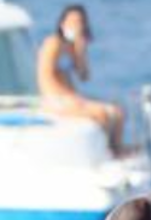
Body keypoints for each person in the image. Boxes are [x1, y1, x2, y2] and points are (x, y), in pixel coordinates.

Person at [36, 5, 124, 153]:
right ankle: (108, 152)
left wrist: (80, 49)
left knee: (118, 112)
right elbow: (45, 76)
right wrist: (68, 96)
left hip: (70, 98)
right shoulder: (53, 43)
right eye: (72, 22)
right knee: (101, 114)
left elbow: (84, 76)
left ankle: (117, 149)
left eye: (80, 22)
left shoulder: (71, 47)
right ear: (62, 23)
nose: (76, 26)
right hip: (54, 99)